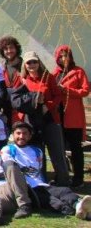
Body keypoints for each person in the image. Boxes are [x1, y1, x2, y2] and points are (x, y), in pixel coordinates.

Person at [0, 122, 91, 224]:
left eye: (25, 133)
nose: (21, 136)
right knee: (51, 201)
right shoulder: (7, 149)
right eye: (18, 133)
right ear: (13, 135)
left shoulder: (37, 151)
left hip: (39, 185)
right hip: (24, 186)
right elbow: (9, 169)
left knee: (64, 191)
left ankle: (79, 206)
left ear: (30, 136)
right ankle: (72, 209)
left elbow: (39, 172)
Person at [10, 50, 69, 186]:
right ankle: (40, 181)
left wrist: (48, 105)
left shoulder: (48, 77)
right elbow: (17, 99)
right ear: (25, 65)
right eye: (28, 62)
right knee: (37, 153)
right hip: (31, 122)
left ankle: (63, 181)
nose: (31, 65)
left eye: (34, 62)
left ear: (39, 62)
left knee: (57, 152)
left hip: (50, 119)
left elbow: (59, 96)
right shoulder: (22, 80)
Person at [53, 44, 89, 187]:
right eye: (60, 56)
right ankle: (62, 177)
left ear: (70, 56)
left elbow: (85, 91)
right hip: (58, 115)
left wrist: (67, 90)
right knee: (59, 148)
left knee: (75, 149)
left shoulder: (78, 71)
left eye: (66, 55)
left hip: (73, 116)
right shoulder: (55, 73)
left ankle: (78, 179)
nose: (63, 58)